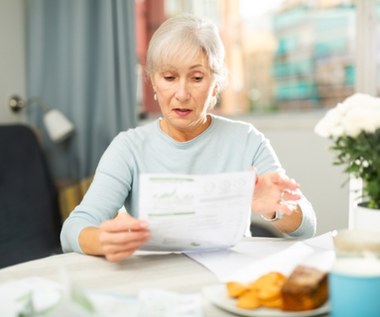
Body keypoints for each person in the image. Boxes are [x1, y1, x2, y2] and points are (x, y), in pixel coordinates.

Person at [60, 14, 316, 262]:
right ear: (154, 83)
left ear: (216, 84)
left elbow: (307, 226)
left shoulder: (247, 140)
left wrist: (275, 209)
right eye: (169, 77)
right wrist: (102, 240)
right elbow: (73, 230)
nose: (181, 94)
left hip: (228, 277)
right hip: (156, 279)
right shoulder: (129, 148)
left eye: (196, 78)